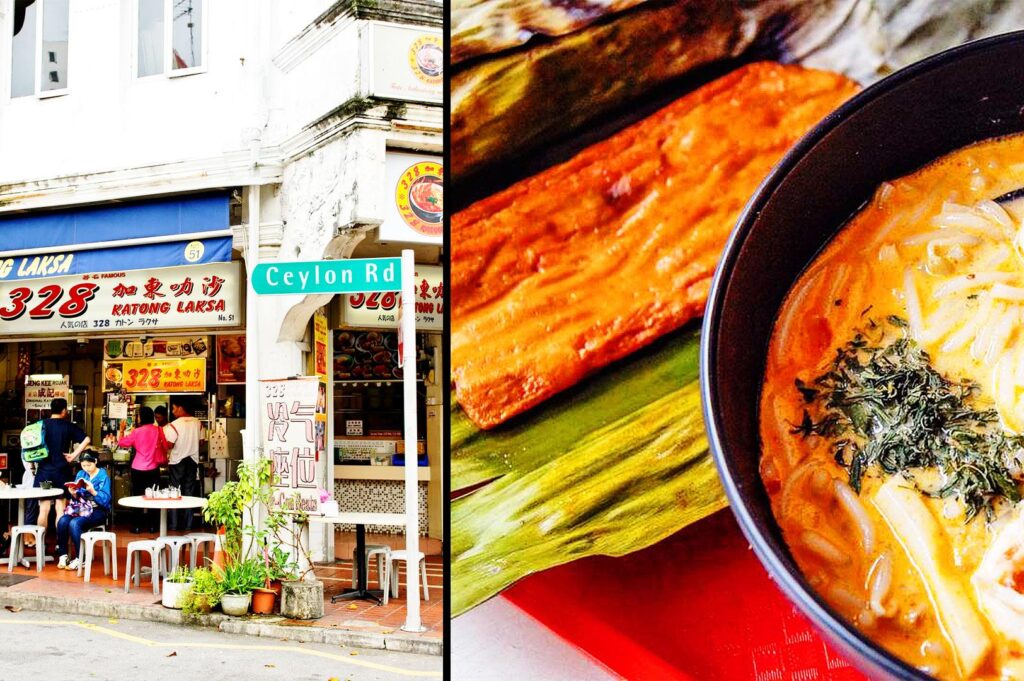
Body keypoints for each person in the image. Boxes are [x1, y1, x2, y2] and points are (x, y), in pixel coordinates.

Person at [30, 398, 90, 547]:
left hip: (44, 471)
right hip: (61, 472)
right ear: (64, 411)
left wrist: (32, 465)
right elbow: (87, 439)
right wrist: (73, 455)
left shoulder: (40, 425)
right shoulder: (68, 426)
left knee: (43, 508)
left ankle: (40, 544)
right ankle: (59, 543)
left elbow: (30, 445)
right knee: (59, 508)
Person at [55, 452, 111, 571]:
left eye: (89, 465)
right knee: (63, 521)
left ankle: (81, 558)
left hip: (98, 511)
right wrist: (74, 493)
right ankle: (63, 555)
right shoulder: (81, 474)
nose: (86, 468)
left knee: (75, 523)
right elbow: (77, 496)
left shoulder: (103, 476)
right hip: (82, 508)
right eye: (83, 465)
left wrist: (93, 492)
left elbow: (106, 501)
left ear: (95, 461)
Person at [118, 406, 168, 534]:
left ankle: (136, 526)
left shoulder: (136, 432)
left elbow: (122, 443)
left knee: (137, 497)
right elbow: (166, 445)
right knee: (153, 497)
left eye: (139, 415)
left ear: (142, 417)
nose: (138, 418)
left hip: (137, 468)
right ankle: (153, 526)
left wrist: (122, 430)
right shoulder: (159, 430)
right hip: (153, 468)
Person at [165, 399, 203, 531]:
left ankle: (174, 524)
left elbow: (169, 444)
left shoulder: (174, 425)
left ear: (181, 408)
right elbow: (202, 442)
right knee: (189, 492)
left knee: (174, 491)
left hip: (177, 461)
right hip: (192, 460)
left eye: (175, 408)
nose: (174, 411)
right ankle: (188, 524)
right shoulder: (198, 423)